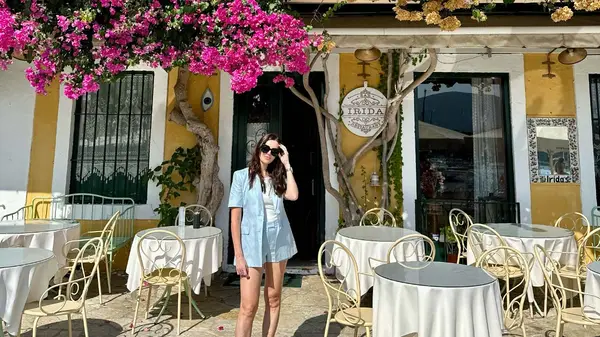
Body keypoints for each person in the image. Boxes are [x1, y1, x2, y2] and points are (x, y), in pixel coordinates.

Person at [228, 133, 299, 337]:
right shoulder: (241, 176)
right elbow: (235, 219)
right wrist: (239, 256)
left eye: (274, 151)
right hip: (251, 243)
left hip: (279, 239)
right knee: (248, 306)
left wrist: (287, 164)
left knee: (274, 298)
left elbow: (293, 195)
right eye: (266, 149)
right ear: (258, 148)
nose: (269, 153)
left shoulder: (278, 177)